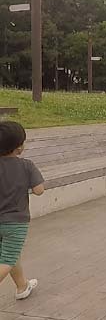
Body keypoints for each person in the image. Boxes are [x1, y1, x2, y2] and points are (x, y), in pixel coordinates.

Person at [0, 121, 44, 300]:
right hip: (16, 223)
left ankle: (22, 286)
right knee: (7, 259)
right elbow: (39, 190)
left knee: (9, 255)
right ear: (19, 147)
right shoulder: (26, 165)